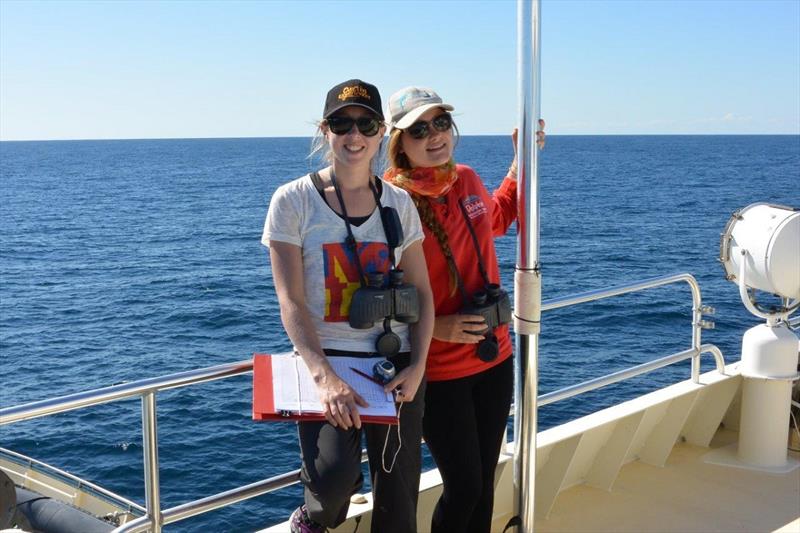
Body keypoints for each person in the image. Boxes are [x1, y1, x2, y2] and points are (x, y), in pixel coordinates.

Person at [262, 79, 434, 533]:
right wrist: (323, 377)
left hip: (391, 363)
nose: (354, 135)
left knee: (399, 500)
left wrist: (418, 365)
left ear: (381, 133)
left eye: (366, 124)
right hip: (328, 363)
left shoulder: (398, 203)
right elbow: (291, 299)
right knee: (333, 482)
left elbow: (423, 292)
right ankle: (312, 517)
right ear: (325, 130)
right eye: (342, 123)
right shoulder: (292, 201)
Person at [383, 86, 544, 532]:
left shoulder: (466, 179)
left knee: (484, 483)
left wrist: (522, 160)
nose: (434, 135)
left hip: (494, 356)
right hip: (437, 370)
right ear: (400, 142)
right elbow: (383, 293)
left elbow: (496, 216)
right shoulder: (391, 202)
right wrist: (439, 328)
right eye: (419, 129)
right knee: (465, 487)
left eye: (440, 123)